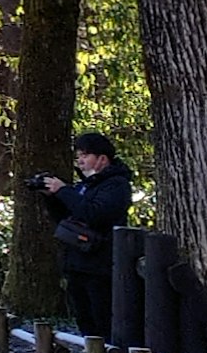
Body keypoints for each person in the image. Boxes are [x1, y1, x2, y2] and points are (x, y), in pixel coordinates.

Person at [28, 132, 134, 337]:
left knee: (102, 323)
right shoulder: (85, 186)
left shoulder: (117, 185)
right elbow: (68, 219)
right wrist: (52, 197)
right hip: (77, 263)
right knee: (85, 321)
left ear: (102, 158)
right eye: (78, 156)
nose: (80, 161)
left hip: (100, 267)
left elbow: (94, 214)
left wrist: (64, 191)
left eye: (85, 155)